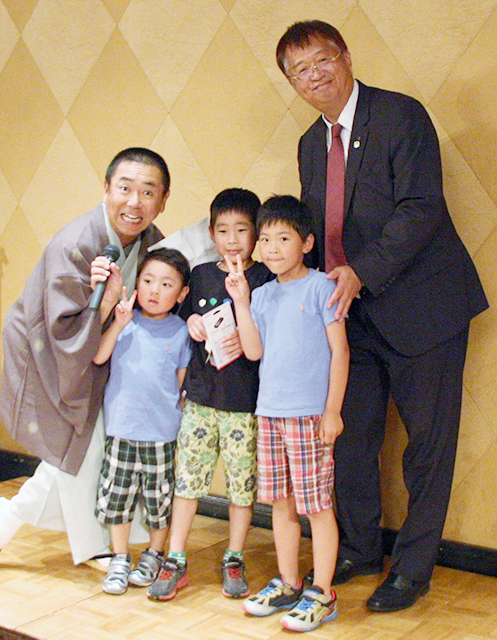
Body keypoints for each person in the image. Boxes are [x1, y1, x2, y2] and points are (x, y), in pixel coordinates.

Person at [276, 21, 489, 612]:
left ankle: (413, 569)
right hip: (352, 317)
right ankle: (361, 549)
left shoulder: (400, 115)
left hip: (424, 308)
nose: (314, 75)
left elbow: (421, 207)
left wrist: (361, 271)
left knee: (427, 448)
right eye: (300, 70)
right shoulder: (308, 144)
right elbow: (316, 230)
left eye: (322, 59)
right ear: (292, 84)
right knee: (348, 440)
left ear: (345, 57)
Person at [0, 148, 170, 570]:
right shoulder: (75, 244)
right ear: (106, 189)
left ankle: (5, 518)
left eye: (148, 192)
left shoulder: (153, 242)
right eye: (125, 188)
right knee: (82, 441)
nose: (134, 202)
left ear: (163, 201)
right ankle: (96, 544)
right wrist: (106, 304)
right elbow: (63, 328)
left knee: (81, 447)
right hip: (48, 349)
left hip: (100, 351)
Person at [228, 196, 349, 633]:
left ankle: (323, 593)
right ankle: (289, 582)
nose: (272, 248)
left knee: (317, 507)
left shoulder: (320, 287)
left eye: (283, 238)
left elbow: (340, 352)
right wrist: (242, 302)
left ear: (307, 243)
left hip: (310, 417)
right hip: (270, 414)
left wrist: (332, 411)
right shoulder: (260, 295)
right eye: (265, 239)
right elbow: (253, 351)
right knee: (282, 505)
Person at [148, 188, 273, 601]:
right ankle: (176, 557)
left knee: (242, 486)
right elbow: (183, 319)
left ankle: (234, 556)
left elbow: (265, 341)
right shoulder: (200, 274)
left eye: (242, 230)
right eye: (223, 230)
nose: (232, 239)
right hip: (200, 398)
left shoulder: (265, 278)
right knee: (187, 481)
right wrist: (192, 323)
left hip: (245, 403)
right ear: (211, 233)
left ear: (256, 234)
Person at [91, 248, 192, 595]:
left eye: (166, 284)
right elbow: (99, 356)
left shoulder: (181, 332)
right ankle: (120, 557)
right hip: (121, 428)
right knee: (116, 496)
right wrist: (118, 323)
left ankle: (154, 553)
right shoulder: (124, 321)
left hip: (162, 433)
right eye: (147, 280)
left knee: (158, 500)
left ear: (182, 293)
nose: (154, 290)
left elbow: (179, 383)